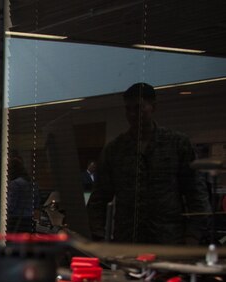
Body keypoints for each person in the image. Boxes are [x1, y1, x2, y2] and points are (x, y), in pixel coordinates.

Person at [87, 83, 210, 244]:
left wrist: (193, 236)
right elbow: (99, 198)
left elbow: (196, 194)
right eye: (128, 109)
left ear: (153, 107)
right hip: (128, 241)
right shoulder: (115, 149)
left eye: (138, 108)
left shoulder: (176, 144)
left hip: (168, 240)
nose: (132, 114)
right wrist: (98, 236)